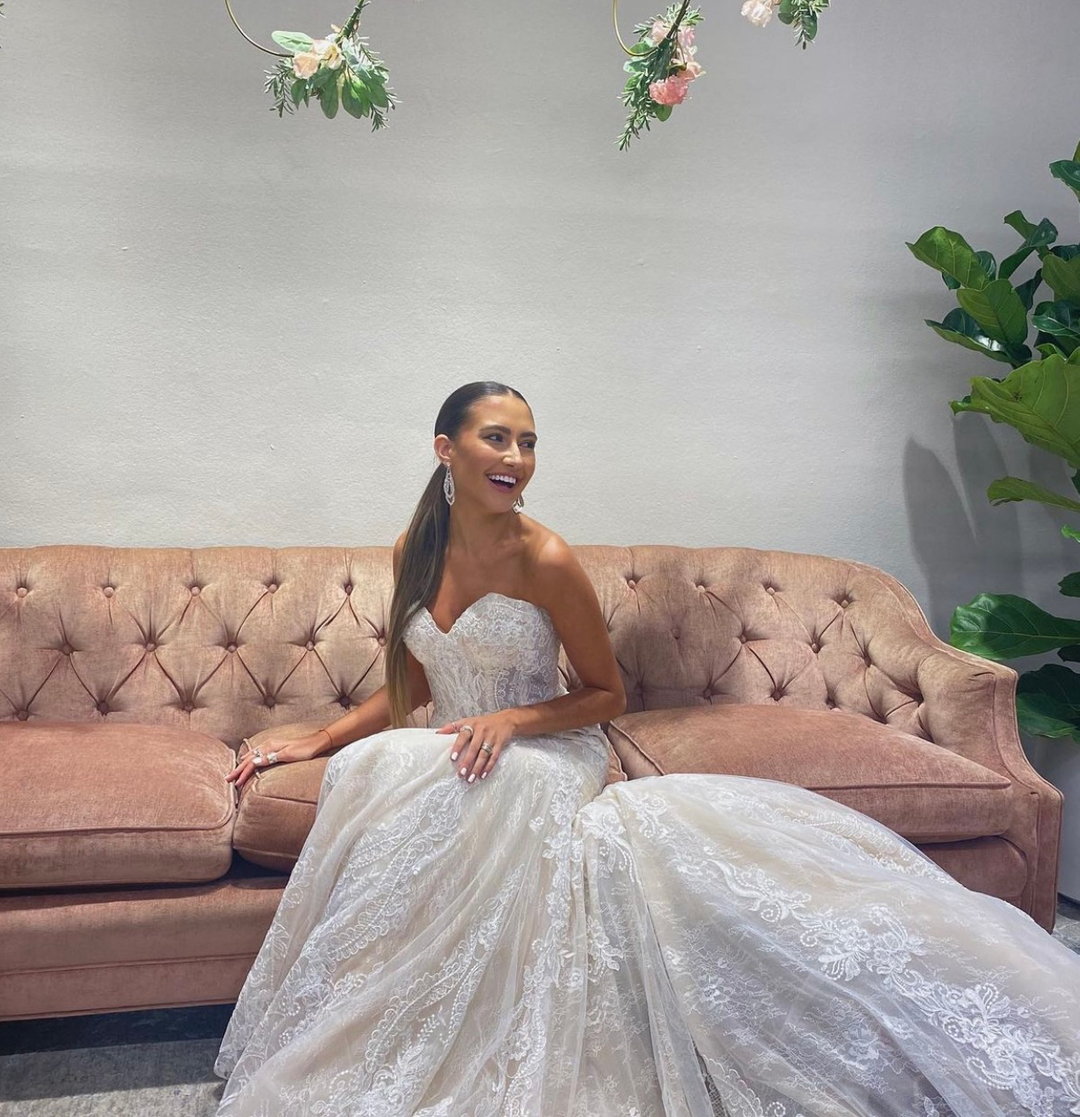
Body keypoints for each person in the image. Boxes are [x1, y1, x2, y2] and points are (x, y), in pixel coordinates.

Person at [214, 381, 1080, 1116]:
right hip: (458, 741)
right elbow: (413, 682)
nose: (516, 456)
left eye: (529, 442)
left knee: (465, 781)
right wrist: (317, 739)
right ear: (446, 448)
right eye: (496, 437)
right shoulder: (416, 548)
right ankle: (397, 1014)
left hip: (550, 749)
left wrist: (512, 723)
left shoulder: (545, 556)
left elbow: (606, 695)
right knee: (380, 765)